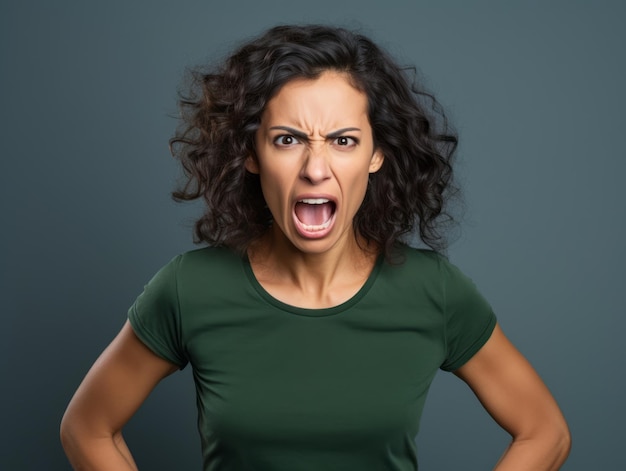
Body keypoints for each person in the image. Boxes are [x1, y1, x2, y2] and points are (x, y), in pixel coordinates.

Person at [60, 24, 571, 470]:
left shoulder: (432, 291)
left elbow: (545, 432)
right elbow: (86, 428)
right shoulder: (188, 288)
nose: (315, 167)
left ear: (376, 155)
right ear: (251, 154)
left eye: (343, 140)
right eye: (288, 139)